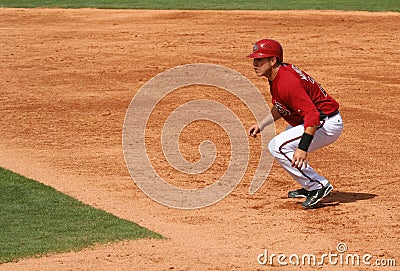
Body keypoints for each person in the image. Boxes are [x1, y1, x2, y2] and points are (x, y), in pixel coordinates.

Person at [247, 39, 343, 209]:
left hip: (324, 122)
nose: (255, 63)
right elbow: (281, 106)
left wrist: (303, 148)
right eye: (255, 59)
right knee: (284, 145)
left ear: (273, 60)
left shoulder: (287, 82)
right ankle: (310, 185)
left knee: (278, 147)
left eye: (260, 59)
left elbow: (312, 115)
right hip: (315, 120)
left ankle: (318, 186)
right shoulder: (278, 74)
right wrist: (262, 124)